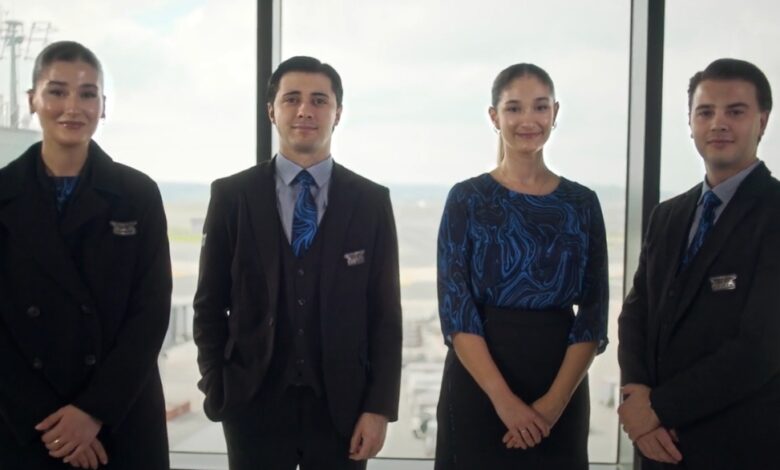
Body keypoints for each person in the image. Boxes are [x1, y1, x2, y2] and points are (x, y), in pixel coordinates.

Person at [193, 55, 402, 470]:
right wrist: (217, 384)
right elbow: (209, 303)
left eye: (319, 100)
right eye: (292, 99)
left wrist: (378, 407)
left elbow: (385, 315)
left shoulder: (371, 201)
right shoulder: (232, 196)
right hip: (252, 404)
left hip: (343, 408)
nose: (305, 110)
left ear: (337, 113)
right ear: (271, 111)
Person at [0, 41, 172, 469]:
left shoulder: (138, 195)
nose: (72, 107)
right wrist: (55, 425)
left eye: (87, 93)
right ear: (32, 100)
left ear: (103, 106)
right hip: (26, 423)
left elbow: (150, 314)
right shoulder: (3, 194)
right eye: (57, 92)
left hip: (121, 416)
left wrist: (93, 412)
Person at [435, 63, 609, 469]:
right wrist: (505, 402)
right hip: (479, 382)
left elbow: (594, 313)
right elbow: (457, 311)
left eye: (540, 107)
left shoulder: (582, 203)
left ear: (555, 113)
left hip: (560, 381)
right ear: (494, 117)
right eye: (514, 108)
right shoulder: (466, 199)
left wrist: (552, 406)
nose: (528, 120)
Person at [618, 58, 780, 470]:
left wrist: (658, 410)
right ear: (690, 123)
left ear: (762, 121)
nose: (718, 123)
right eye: (705, 112)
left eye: (735, 112)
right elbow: (636, 314)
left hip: (740, 448)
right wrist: (637, 401)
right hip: (657, 448)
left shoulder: (775, 214)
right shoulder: (667, 216)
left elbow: (760, 348)